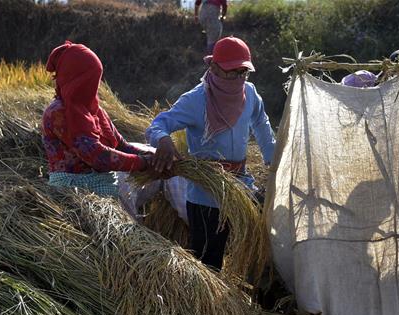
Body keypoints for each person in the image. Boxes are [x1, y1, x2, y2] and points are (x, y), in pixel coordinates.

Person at [146, 36, 275, 270]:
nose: (238, 78)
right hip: (206, 196)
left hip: (241, 186)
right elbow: (157, 125)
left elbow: (262, 123)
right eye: (232, 72)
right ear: (213, 67)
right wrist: (163, 140)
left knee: (253, 250)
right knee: (209, 261)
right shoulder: (196, 100)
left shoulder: (249, 93)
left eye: (243, 72)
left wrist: (273, 160)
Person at [42, 41, 153, 197]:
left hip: (103, 190)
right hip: (71, 194)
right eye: (89, 80)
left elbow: (121, 146)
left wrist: (153, 156)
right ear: (74, 79)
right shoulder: (58, 113)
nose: (94, 86)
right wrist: (143, 163)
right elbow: (97, 156)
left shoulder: (94, 110)